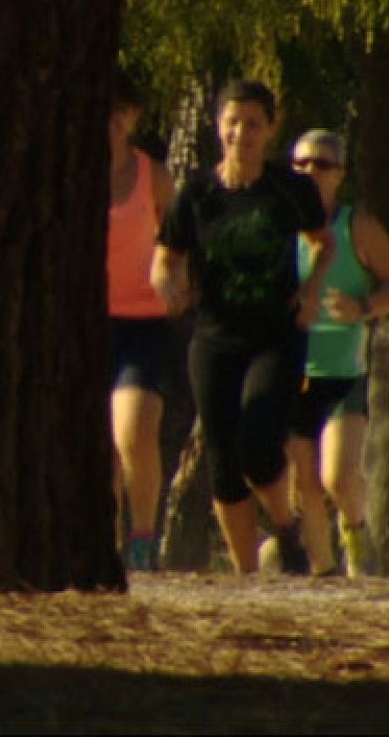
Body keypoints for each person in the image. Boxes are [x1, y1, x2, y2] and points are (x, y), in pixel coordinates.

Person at [151, 80, 334, 575]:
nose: (241, 133)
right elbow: (166, 257)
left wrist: (312, 290)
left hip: (275, 335)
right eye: (232, 122)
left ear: (270, 129)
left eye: (253, 123)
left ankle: (284, 526)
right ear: (218, 126)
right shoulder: (197, 193)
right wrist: (169, 287)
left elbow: (323, 243)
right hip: (213, 339)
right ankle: (246, 577)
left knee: (258, 441)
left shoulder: (289, 189)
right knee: (223, 464)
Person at [284, 129, 389, 576]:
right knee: (301, 483)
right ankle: (323, 574)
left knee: (337, 477)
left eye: (320, 164)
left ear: (338, 174)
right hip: (290, 371)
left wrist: (363, 307)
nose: (308, 172)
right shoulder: (278, 226)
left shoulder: (356, 226)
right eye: (299, 164)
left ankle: (355, 531)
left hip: (342, 371)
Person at [107, 70, 175, 571]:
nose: (111, 119)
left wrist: (174, 279)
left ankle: (143, 540)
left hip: (143, 321)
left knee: (134, 431)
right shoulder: (67, 169)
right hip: (84, 323)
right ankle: (101, 546)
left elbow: (178, 241)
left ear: (134, 117)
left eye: (121, 109)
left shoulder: (154, 175)